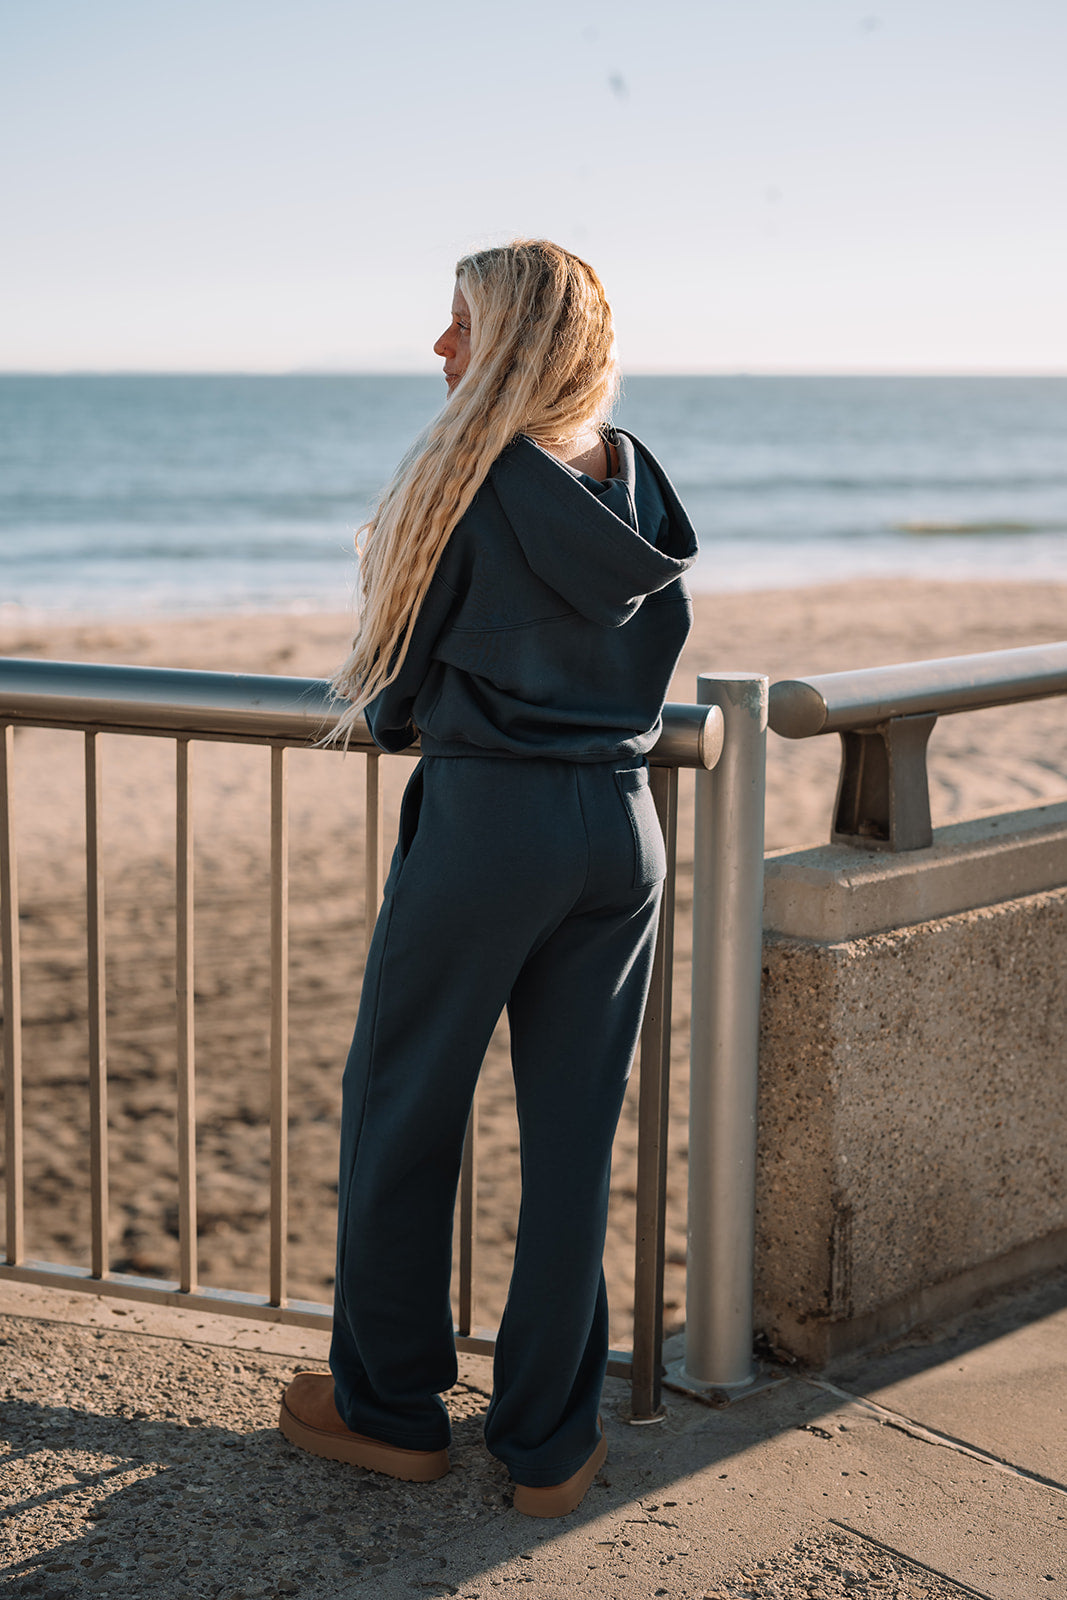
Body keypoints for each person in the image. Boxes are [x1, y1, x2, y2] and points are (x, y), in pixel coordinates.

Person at [280, 239, 697, 1517]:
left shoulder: (464, 482)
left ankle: (389, 1410)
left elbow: (395, 697)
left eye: (459, 322)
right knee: (574, 1141)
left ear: (511, 340)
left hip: (487, 829)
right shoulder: (638, 487)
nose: (440, 346)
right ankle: (549, 1446)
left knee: (402, 1106)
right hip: (620, 831)